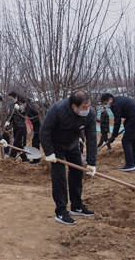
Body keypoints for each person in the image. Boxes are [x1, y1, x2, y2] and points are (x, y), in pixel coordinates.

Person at [40, 91, 97, 225]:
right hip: (56, 145)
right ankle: (61, 211)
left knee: (77, 173)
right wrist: (49, 153)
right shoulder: (57, 109)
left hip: (72, 144)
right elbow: (44, 130)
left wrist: (91, 162)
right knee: (59, 176)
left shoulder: (90, 113)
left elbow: (92, 137)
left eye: (88, 106)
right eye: (84, 107)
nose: (87, 110)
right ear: (74, 107)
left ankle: (76, 206)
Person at [101, 93, 135, 171]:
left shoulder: (115, 104)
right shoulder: (120, 99)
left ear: (110, 99)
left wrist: (113, 136)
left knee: (126, 141)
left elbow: (117, 121)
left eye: (106, 103)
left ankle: (130, 164)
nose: (107, 105)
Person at [9, 96, 29, 162]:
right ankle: (25, 158)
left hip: (21, 127)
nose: (11, 100)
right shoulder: (12, 106)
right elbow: (11, 115)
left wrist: (19, 109)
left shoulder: (22, 106)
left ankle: (11, 157)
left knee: (16, 143)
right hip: (15, 127)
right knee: (18, 144)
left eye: (12, 99)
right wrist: (8, 122)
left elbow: (24, 113)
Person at [26, 98, 42, 164]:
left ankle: (36, 160)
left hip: (39, 128)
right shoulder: (32, 106)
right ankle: (36, 160)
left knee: (35, 143)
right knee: (36, 142)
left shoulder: (29, 109)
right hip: (38, 128)